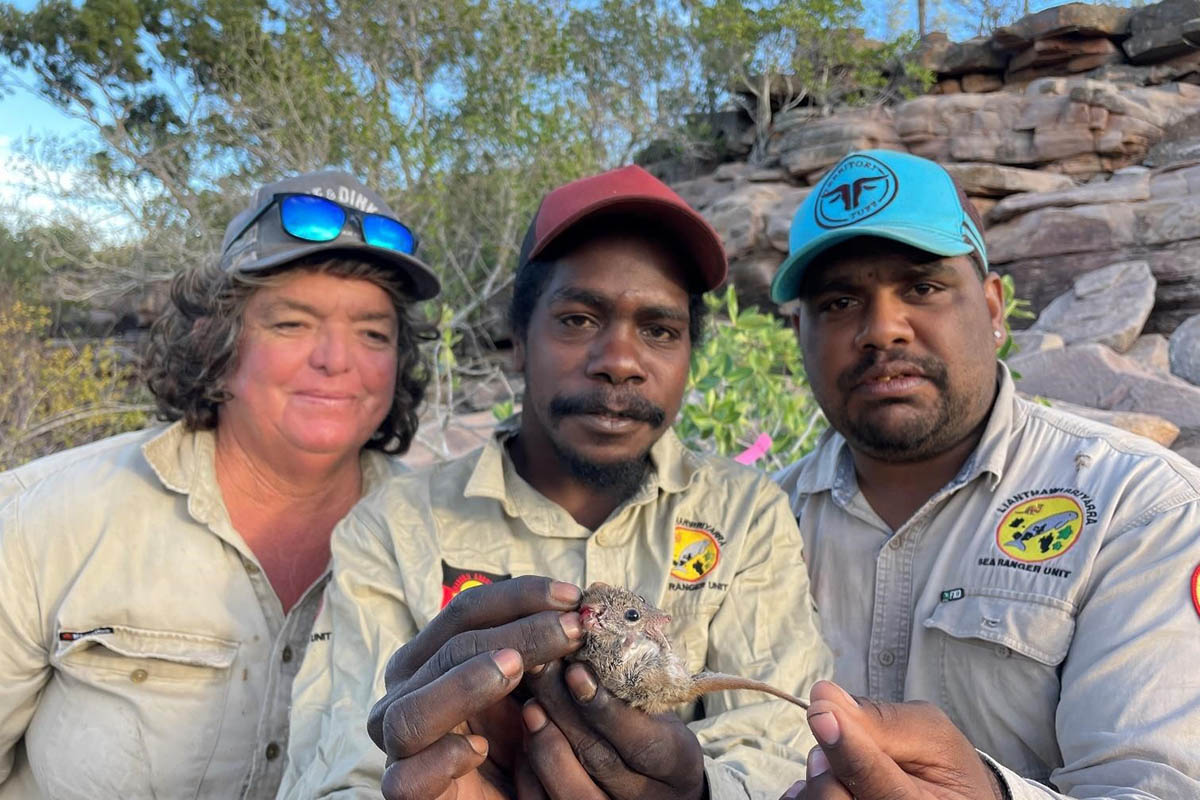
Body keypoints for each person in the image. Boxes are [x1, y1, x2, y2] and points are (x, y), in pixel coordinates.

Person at [277, 164, 833, 800]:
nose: (620, 362)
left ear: (687, 355)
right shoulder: (394, 527)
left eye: (658, 330)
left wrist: (697, 789)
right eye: (578, 319)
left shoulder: (747, 513)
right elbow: (334, 773)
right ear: (517, 339)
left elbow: (784, 745)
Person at [770, 149, 1200, 798]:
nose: (882, 329)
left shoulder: (1137, 508)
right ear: (800, 332)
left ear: (994, 309)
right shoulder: (755, 526)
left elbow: (1155, 786)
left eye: (922, 287)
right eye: (839, 302)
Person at [0, 170, 440, 799]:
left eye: (372, 332)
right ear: (217, 338)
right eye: (292, 323)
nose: (336, 359)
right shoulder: (41, 519)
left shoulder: (438, 539)